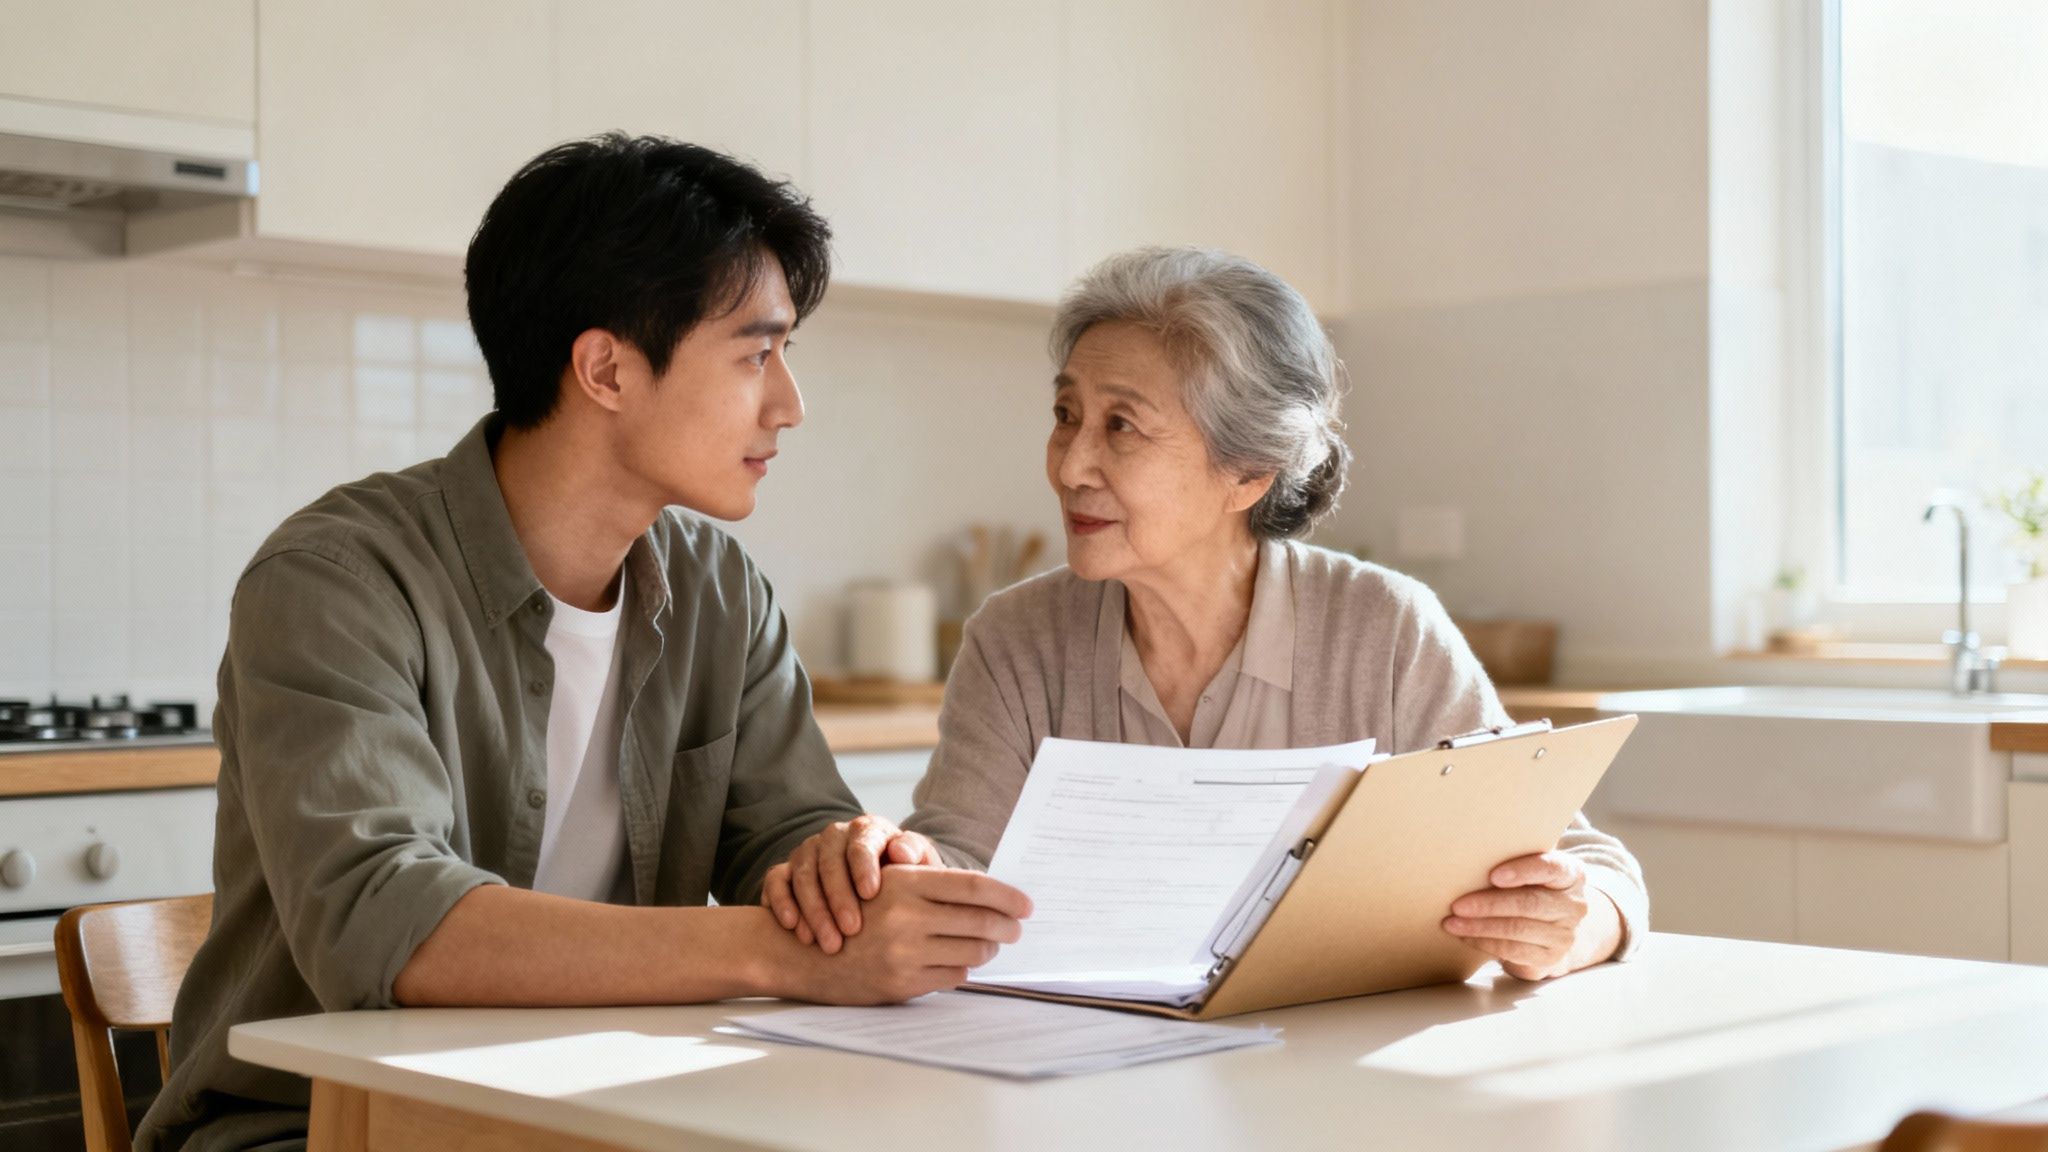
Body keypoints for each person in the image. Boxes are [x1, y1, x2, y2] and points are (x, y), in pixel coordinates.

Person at [139, 134, 1028, 1152]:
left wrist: (850, 868)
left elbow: (791, 839)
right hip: (319, 1125)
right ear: (605, 368)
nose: (788, 404)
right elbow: (384, 924)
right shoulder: (336, 579)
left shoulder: (719, 587)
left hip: (606, 1105)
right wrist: (788, 955)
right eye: (754, 352)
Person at [764, 246, 1645, 983]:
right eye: (1066, 415)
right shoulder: (1016, 638)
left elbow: (1590, 868)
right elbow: (961, 864)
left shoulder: (1384, 628)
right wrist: (897, 865)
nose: (1071, 464)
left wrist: (1581, 921)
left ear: (1248, 473)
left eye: (1122, 427)